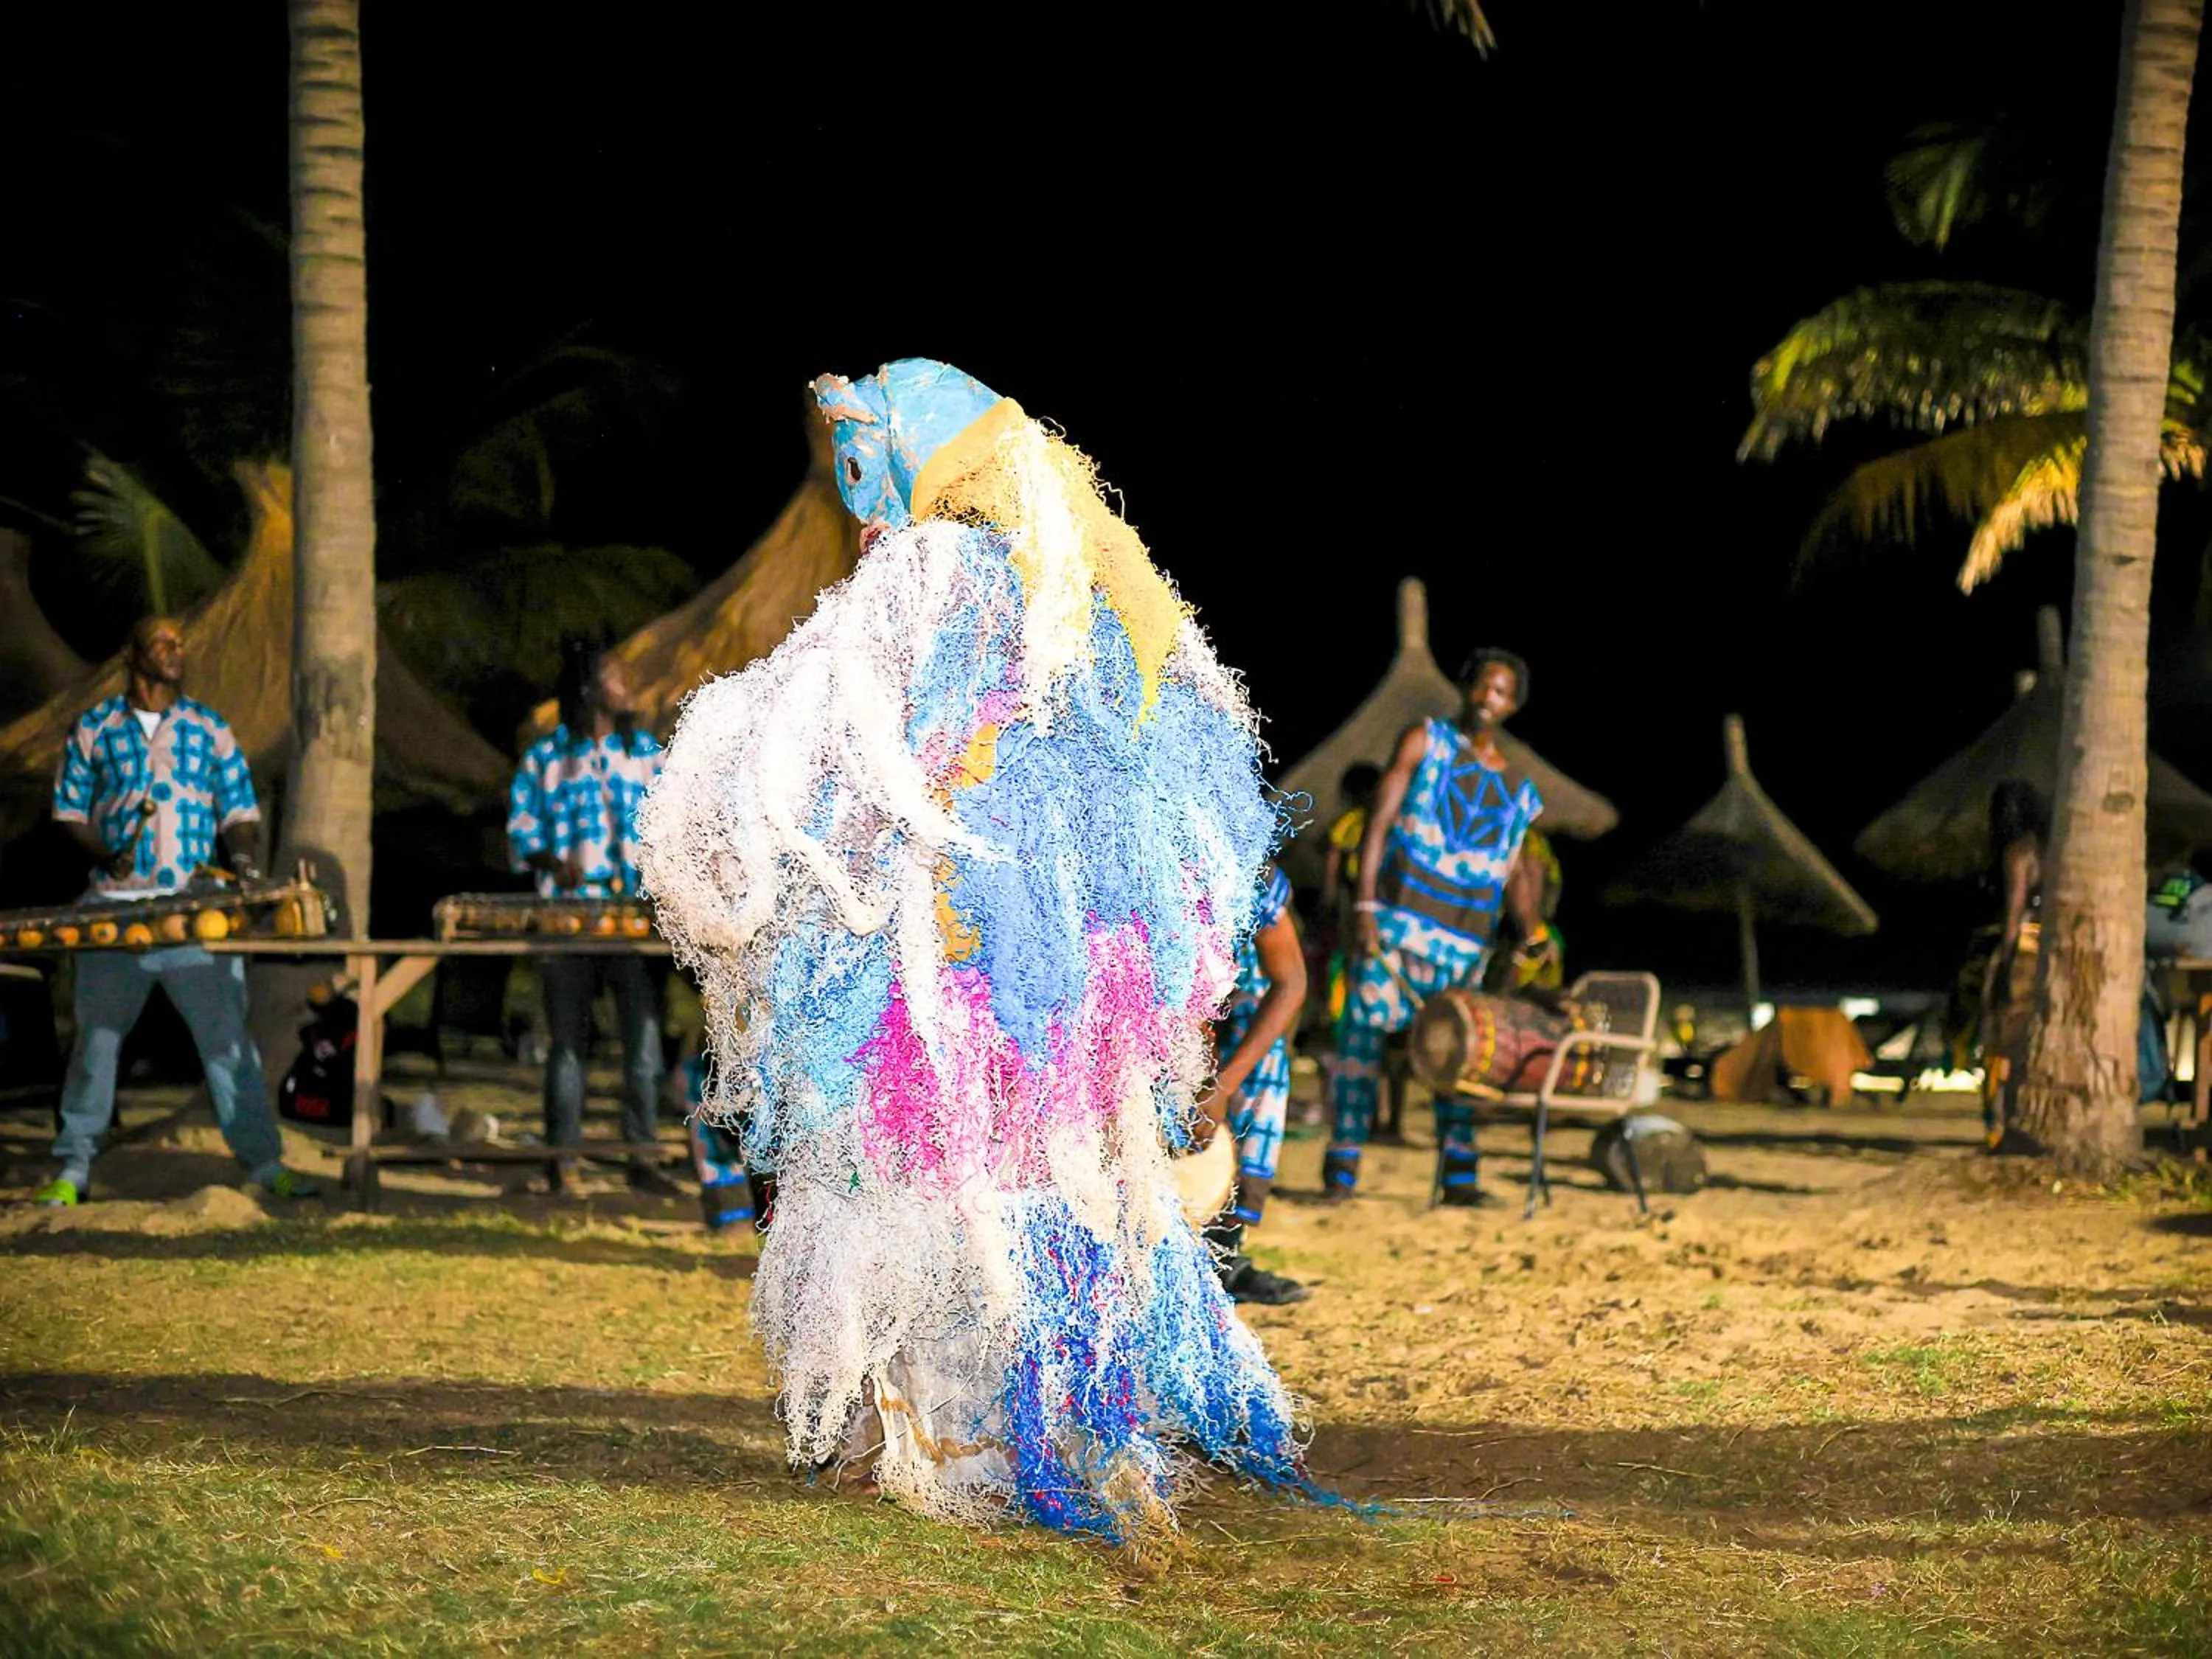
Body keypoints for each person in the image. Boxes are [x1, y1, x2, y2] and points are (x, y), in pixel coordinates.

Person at [637, 358, 1311, 1543]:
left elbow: (811, 750)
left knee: (902, 1191)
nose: (858, 516)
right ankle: (1030, 1439)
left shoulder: (930, 582)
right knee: (1035, 1200)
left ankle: (918, 1445)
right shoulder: (1094, 605)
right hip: (1035, 1006)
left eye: (865, 473)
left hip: (931, 984)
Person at [35, 616, 316, 1206]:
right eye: (163, 642)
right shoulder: (95, 726)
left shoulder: (208, 727)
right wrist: (105, 853)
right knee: (96, 1044)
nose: (175, 650)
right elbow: (68, 811)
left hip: (192, 911)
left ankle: (264, 1164)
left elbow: (239, 810)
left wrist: (241, 862)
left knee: (227, 1043)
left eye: (179, 643)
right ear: (133, 654)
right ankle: (74, 1169)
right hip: (112, 914)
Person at [1322, 649, 1543, 1203]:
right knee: (1362, 1045)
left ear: (1512, 705)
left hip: (1466, 943)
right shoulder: (1425, 741)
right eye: (1482, 688)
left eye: (1501, 693)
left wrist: (1533, 930)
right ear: (1466, 689)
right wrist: (1366, 906)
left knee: (1460, 1056)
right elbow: (1379, 822)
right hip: (1396, 925)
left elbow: (1518, 869)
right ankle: (1341, 1175)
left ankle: (1460, 1179)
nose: (1488, 700)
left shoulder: (1519, 790)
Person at [507, 637, 675, 1194]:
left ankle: (642, 1156)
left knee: (644, 1043)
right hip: (568, 919)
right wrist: (552, 859)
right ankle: (564, 1158)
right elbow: (520, 829)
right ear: (586, 688)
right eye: (616, 676)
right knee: (567, 1044)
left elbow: (676, 825)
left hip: (634, 922)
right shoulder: (546, 758)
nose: (628, 685)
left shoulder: (649, 755)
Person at [1194, 863, 1310, 1304]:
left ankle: (1224, 1256)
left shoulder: (1250, 871)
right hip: (1142, 1009)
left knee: (1264, 1057)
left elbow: (1291, 981)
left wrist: (1221, 1088)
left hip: (1231, 997)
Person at [1972, 778, 2045, 1151]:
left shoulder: (2018, 852)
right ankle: (2014, 1122)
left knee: (2000, 1042)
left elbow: (2015, 912)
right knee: (2024, 1046)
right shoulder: (2052, 849)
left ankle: (1998, 1127)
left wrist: (2003, 967)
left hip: (2022, 954)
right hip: (2047, 951)